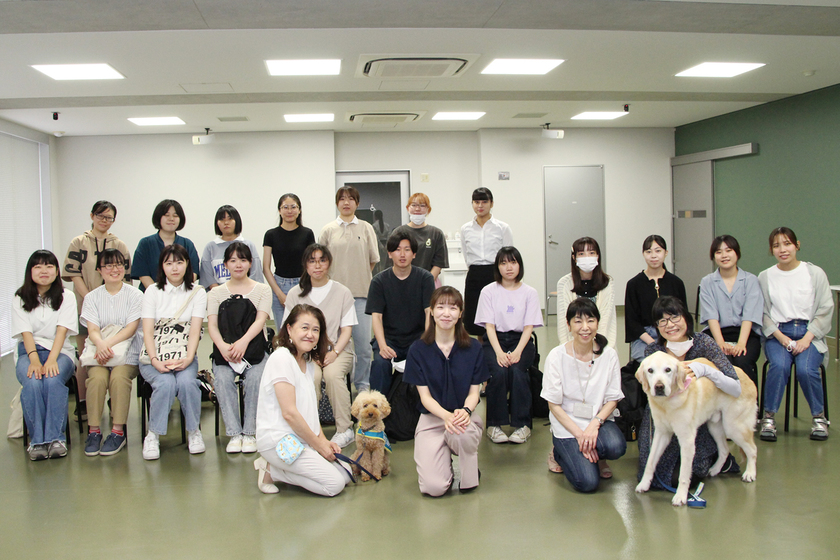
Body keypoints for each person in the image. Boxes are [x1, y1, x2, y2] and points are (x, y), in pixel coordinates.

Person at [637, 296, 742, 488]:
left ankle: (720, 457)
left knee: (683, 476)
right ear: (657, 326)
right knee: (654, 477)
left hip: (697, 417)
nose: (670, 325)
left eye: (675, 317)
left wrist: (707, 370)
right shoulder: (653, 351)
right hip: (662, 414)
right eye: (662, 321)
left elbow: (735, 388)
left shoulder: (704, 343)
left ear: (686, 317)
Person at [253, 304, 353, 496]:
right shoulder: (281, 358)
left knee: (346, 473)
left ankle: (279, 468)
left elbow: (310, 412)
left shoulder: (308, 362)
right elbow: (289, 414)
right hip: (279, 441)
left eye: (315, 330)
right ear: (289, 329)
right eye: (304, 328)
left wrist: (324, 441)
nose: (310, 334)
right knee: (334, 484)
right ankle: (272, 470)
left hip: (301, 439)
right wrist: (319, 446)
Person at [404, 286, 490, 497]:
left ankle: (470, 475)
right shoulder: (418, 349)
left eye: (453, 308)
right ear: (432, 311)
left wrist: (465, 412)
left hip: (462, 418)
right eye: (440, 307)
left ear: (460, 314)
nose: (446, 313)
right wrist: (446, 416)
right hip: (432, 419)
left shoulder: (473, 347)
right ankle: (444, 468)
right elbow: (425, 397)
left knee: (463, 436)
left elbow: (474, 393)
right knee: (433, 488)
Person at [541, 298, 626, 493]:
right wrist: (581, 436)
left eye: (591, 321)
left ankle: (595, 454)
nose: (585, 327)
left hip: (598, 421)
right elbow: (554, 405)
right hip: (567, 425)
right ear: (568, 325)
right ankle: (559, 453)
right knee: (587, 483)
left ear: (598, 323)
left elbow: (613, 398)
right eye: (578, 321)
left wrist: (594, 424)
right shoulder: (556, 356)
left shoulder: (609, 354)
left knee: (616, 446)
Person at [757, 227, 833, 442]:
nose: (782, 249)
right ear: (771, 250)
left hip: (810, 333)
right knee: (779, 366)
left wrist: (807, 339)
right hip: (778, 334)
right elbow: (762, 313)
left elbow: (825, 308)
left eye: (787, 243)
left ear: (797, 245)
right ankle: (768, 417)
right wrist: (782, 338)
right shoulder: (765, 277)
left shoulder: (814, 273)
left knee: (806, 370)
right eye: (776, 245)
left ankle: (819, 418)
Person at [62, 200, 132, 422]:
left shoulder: (118, 244)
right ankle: (83, 402)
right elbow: (74, 274)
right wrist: (91, 299)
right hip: (87, 305)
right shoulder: (79, 242)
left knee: (114, 351)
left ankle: (113, 399)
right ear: (92, 216)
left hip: (116, 310)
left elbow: (125, 277)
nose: (104, 220)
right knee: (87, 353)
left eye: (109, 217)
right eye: (101, 216)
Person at [283, 243, 357, 449]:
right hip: (305, 352)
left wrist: (335, 353)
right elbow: (287, 329)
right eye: (312, 261)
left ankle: (345, 429)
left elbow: (347, 330)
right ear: (305, 265)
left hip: (338, 349)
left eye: (322, 260)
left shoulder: (342, 292)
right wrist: (307, 353)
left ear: (329, 263)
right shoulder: (295, 293)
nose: (317, 266)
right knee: (311, 377)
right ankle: (309, 430)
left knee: (332, 375)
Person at [138, 244, 207, 460]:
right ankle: (153, 435)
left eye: (179, 262)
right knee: (166, 383)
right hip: (154, 357)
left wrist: (188, 359)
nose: (174, 268)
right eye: (169, 263)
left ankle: (194, 432)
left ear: (187, 265)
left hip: (185, 356)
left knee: (187, 383)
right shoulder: (152, 291)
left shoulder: (198, 292)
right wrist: (155, 360)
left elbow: (195, 331)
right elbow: (147, 331)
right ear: (162, 266)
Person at [12, 250, 78, 461]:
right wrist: (34, 360)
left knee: (52, 379)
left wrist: (51, 360)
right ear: (30, 271)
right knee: (32, 381)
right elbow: (26, 333)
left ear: (57, 271)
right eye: (38, 266)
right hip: (28, 351)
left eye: (49, 266)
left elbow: (62, 331)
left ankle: (56, 439)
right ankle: (37, 441)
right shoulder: (20, 297)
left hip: (60, 352)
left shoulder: (66, 296)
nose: (44, 271)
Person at [207, 242, 271, 454]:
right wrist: (223, 347)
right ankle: (234, 434)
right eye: (233, 260)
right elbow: (212, 326)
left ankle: (250, 433)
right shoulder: (215, 293)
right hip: (225, 351)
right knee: (223, 379)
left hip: (254, 349)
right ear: (225, 264)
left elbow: (260, 320)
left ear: (250, 263)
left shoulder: (262, 290)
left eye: (243, 260)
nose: (238, 265)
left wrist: (243, 342)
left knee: (255, 379)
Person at [474, 246, 542, 444]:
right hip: (495, 341)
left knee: (518, 372)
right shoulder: (488, 291)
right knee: (498, 372)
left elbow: (529, 327)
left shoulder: (530, 292)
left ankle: (523, 425)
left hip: (522, 341)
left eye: (513, 262)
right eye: (503, 263)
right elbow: (489, 326)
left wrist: (518, 351)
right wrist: (499, 353)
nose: (508, 267)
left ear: (519, 265)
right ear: (497, 267)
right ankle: (494, 425)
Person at [80, 249, 143, 456]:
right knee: (97, 379)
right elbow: (92, 329)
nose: (114, 269)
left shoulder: (136, 295)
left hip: (128, 353)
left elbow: (130, 329)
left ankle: (117, 431)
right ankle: (94, 431)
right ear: (99, 270)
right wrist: (101, 345)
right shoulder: (92, 297)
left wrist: (106, 344)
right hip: (99, 353)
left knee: (118, 378)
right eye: (108, 265)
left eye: (118, 264)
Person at [319, 186, 379, 391]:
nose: (346, 202)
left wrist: (357, 275)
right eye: (342, 199)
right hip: (334, 298)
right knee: (335, 345)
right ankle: (336, 384)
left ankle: (362, 384)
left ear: (357, 203)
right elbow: (320, 263)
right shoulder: (328, 230)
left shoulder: (366, 228)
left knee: (363, 347)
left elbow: (372, 260)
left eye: (351, 199)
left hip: (361, 296)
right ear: (337, 203)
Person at [366, 230, 435, 396]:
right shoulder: (379, 281)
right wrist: (382, 345)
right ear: (389, 254)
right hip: (389, 339)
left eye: (407, 249)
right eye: (397, 250)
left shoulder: (425, 278)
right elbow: (377, 317)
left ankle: (421, 407)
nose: (402, 254)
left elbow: (429, 313)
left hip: (417, 338)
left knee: (424, 363)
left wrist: (424, 343)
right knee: (380, 365)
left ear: (414, 254)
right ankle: (377, 408)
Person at [698, 235, 764, 386]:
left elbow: (749, 315)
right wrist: (720, 342)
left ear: (737, 253)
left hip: (746, 334)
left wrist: (741, 343)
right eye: (718, 252)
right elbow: (711, 315)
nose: (724, 255)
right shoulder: (707, 282)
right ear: (713, 256)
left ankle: (749, 400)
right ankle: (722, 401)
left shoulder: (750, 280)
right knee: (723, 362)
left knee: (743, 362)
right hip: (717, 334)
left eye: (728, 250)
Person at [624, 235, 687, 362]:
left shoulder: (676, 283)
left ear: (666, 253)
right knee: (652, 364)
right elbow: (632, 322)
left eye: (658, 251)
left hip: (673, 333)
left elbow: (684, 316)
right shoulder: (634, 284)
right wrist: (653, 343)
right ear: (643, 254)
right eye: (649, 252)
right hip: (645, 338)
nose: (653, 256)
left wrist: (673, 338)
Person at [461, 187, 513, 337]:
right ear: (472, 204)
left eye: (484, 202)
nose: (480, 205)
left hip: (495, 274)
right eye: (476, 202)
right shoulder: (465, 229)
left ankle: (496, 346)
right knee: (475, 318)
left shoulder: (502, 228)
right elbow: (466, 255)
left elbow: (509, 255)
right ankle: (480, 347)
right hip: (474, 274)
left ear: (492, 203)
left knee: (497, 316)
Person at [262, 193, 315, 324]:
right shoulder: (271, 235)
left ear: (299, 210)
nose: (289, 211)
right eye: (285, 207)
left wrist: (307, 285)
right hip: (279, 285)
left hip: (303, 284)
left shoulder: (307, 233)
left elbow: (312, 263)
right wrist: (279, 293)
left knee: (304, 325)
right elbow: (266, 268)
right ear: (279, 211)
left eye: (293, 207)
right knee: (283, 329)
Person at [556, 237, 616, 348]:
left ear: (598, 256)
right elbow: (564, 323)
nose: (587, 257)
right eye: (581, 254)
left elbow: (605, 322)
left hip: (601, 345)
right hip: (572, 346)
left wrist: (597, 348)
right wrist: (571, 349)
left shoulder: (607, 283)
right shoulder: (564, 284)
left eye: (591, 253)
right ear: (574, 258)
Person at [132, 199, 200, 290]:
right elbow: (143, 274)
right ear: (158, 217)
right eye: (166, 215)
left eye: (175, 215)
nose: (171, 219)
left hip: (182, 294)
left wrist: (179, 293)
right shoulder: (145, 243)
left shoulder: (187, 244)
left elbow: (193, 273)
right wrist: (158, 294)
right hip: (151, 294)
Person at [200, 205, 263, 289]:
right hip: (218, 294)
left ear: (237, 221)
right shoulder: (210, 247)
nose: (226, 222)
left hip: (246, 292)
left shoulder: (248, 245)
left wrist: (243, 292)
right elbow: (207, 276)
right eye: (222, 219)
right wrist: (220, 293)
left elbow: (255, 273)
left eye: (230, 219)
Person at [392, 192, 448, 286]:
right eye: (414, 205)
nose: (417, 209)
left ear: (428, 209)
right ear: (408, 208)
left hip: (429, 282)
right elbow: (392, 261)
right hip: (402, 282)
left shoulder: (436, 233)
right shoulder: (398, 232)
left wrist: (426, 282)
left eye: (422, 205)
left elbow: (439, 263)